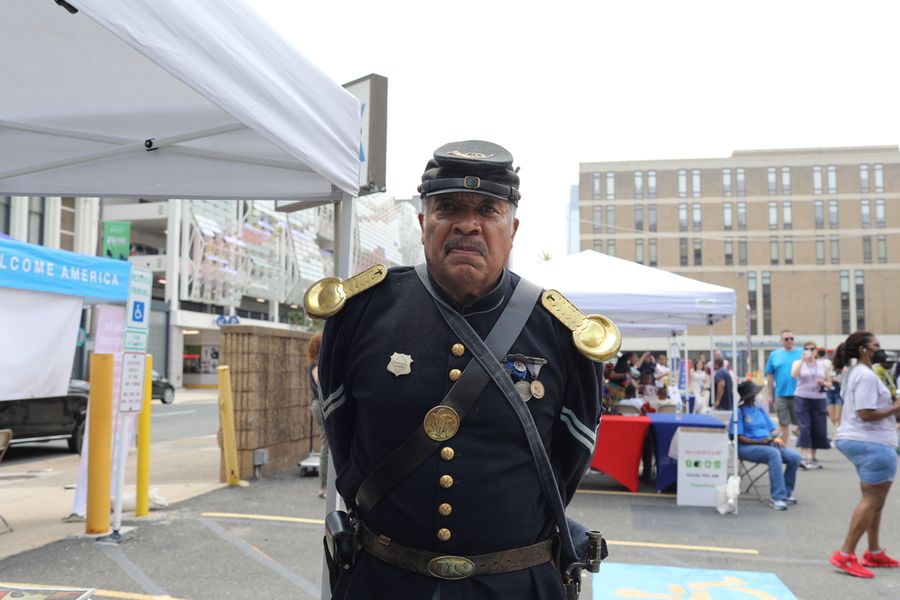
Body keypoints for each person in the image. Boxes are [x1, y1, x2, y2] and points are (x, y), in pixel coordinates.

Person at [314, 141, 605, 599]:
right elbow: (343, 442)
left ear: (513, 228)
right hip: (386, 582)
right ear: (423, 222)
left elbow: (569, 462)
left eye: (488, 210)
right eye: (448, 207)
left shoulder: (559, 331)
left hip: (516, 585)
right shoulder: (360, 314)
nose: (467, 224)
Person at [829, 331, 900, 578]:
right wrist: (895, 408)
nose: (881, 349)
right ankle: (846, 554)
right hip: (872, 442)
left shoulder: (856, 374)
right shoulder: (866, 376)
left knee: (874, 501)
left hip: (861, 440)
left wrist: (892, 410)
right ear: (863, 350)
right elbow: (866, 413)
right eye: (876, 345)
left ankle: (874, 551)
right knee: (871, 500)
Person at [733, 380, 801, 510]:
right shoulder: (739, 412)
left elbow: (771, 430)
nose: (757, 396)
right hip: (746, 447)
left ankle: (786, 492)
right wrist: (760, 442)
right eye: (755, 394)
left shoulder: (759, 410)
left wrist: (775, 439)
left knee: (794, 457)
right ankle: (777, 497)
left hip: (766, 444)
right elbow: (738, 437)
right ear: (750, 396)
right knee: (774, 454)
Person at [790, 341, 831, 469]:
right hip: (802, 397)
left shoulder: (822, 364)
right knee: (804, 426)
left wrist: (822, 382)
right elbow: (794, 375)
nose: (809, 351)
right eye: (806, 348)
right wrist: (802, 360)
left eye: (812, 349)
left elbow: (829, 383)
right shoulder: (798, 363)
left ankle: (813, 457)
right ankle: (804, 457)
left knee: (818, 427)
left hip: (818, 398)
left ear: (816, 351)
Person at [766, 329, 803, 445]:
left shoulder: (801, 352)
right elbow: (770, 375)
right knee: (783, 424)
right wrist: (769, 394)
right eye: (786, 339)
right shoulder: (774, 355)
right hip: (781, 394)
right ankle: (784, 449)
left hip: (799, 393)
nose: (789, 341)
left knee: (803, 423)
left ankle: (804, 451)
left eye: (792, 338)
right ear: (781, 341)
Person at [307, 332, 328, 499]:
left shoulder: (317, 364)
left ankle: (326, 485)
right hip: (320, 406)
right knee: (327, 445)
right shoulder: (316, 366)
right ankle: (323, 486)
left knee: (328, 445)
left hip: (319, 406)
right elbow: (321, 384)